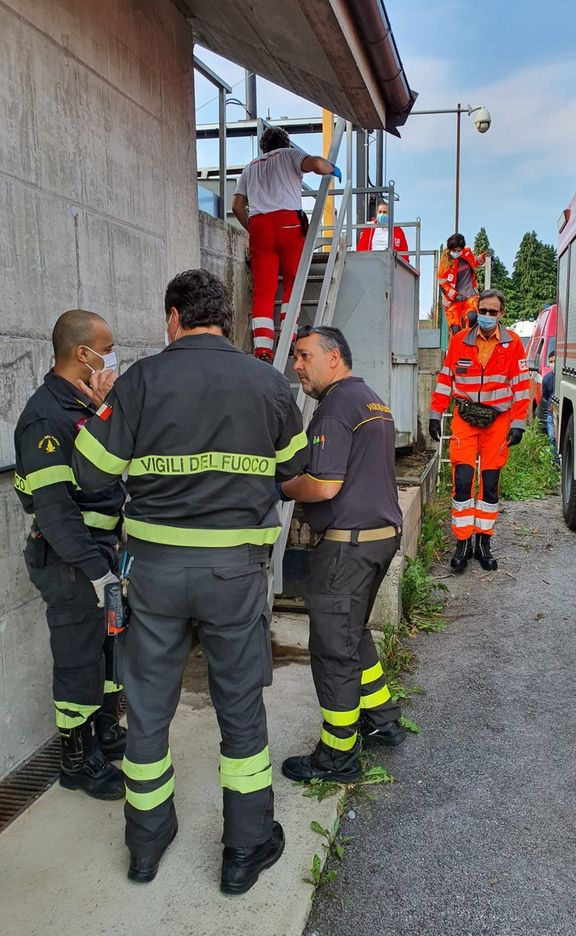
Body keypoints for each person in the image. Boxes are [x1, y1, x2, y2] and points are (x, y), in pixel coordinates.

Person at [72, 269, 308, 893]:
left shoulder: (141, 381)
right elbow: (293, 468)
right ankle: (245, 851)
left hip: (153, 572)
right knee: (240, 710)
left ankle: (145, 848)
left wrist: (106, 412)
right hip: (234, 572)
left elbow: (91, 473)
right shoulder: (268, 382)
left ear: (173, 318)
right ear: (225, 319)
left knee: (147, 710)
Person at [277, 325, 405, 784]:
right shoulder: (372, 399)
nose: (297, 366)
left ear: (334, 357)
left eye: (303, 355)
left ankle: (337, 756)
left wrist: (281, 486)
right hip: (380, 539)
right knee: (352, 631)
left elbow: (324, 484)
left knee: (332, 648)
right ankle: (382, 718)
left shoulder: (333, 409)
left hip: (346, 548)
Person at [13, 310, 127, 801]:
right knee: (77, 656)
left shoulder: (84, 406)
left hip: (96, 552)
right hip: (69, 558)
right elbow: (56, 513)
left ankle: (103, 733)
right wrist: (98, 573)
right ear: (84, 354)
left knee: (103, 648)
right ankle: (76, 759)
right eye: (107, 346)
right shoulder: (46, 416)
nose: (112, 355)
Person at [428, 289, 529, 572]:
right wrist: (436, 415)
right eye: (482, 311)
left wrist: (518, 423)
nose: (486, 316)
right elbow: (446, 379)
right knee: (462, 481)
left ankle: (483, 543)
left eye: (492, 312)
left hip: (497, 423)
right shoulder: (460, 341)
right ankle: (462, 543)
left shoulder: (513, 344)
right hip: (465, 419)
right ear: (476, 311)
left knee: (490, 484)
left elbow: (521, 387)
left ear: (501, 314)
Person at [232, 126, 342, 363]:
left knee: (264, 290)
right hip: (289, 225)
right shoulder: (289, 154)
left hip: (260, 226)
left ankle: (263, 349)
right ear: (286, 143)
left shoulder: (250, 168)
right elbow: (318, 165)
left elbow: (237, 206)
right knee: (293, 281)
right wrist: (332, 168)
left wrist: (252, 228)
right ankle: (289, 337)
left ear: (263, 147)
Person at [438, 234, 486, 334]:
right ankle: (456, 345)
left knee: (472, 317)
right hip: (453, 301)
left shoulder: (467, 253)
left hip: (470, 296)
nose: (456, 253)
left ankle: (470, 340)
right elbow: (443, 284)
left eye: (458, 250)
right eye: (454, 250)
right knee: (456, 329)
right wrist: (455, 295)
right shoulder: (445, 262)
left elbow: (474, 262)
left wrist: (483, 258)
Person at [541, 350, 558, 460]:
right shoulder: (547, 378)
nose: (552, 364)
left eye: (554, 361)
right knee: (552, 438)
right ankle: (554, 461)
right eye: (550, 362)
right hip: (551, 413)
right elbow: (545, 395)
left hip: (559, 412)